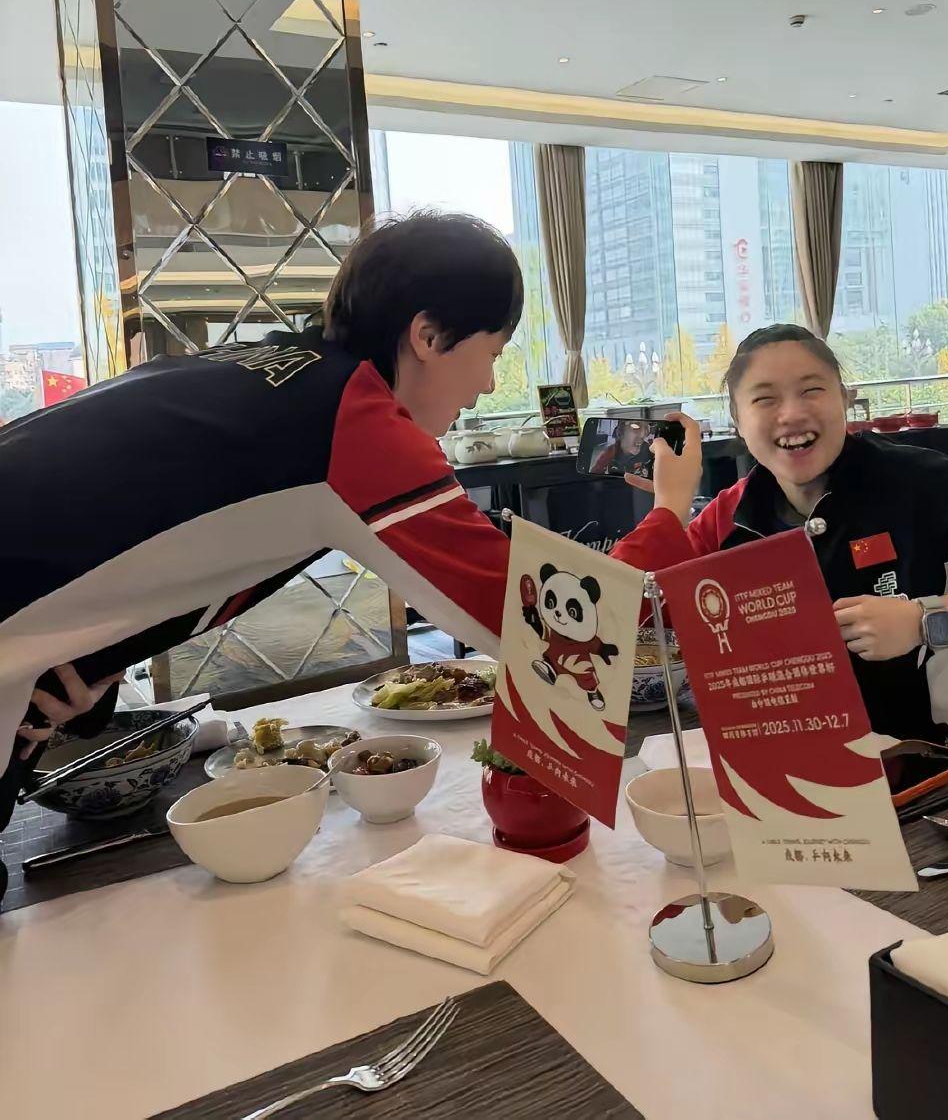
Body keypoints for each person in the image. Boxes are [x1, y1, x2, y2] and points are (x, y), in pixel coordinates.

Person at [0, 212, 703, 901]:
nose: (489, 385)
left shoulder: (265, 373)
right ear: (427, 335)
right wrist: (671, 512)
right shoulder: (351, 418)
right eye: (492, 354)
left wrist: (82, 658)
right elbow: (542, 624)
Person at [627, 323, 948, 763]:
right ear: (737, 421)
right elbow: (621, 623)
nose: (792, 414)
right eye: (765, 399)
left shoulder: (921, 483)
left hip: (939, 765)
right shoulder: (730, 514)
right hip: (791, 769)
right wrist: (670, 508)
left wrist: (924, 621)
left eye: (812, 390)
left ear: (845, 399)